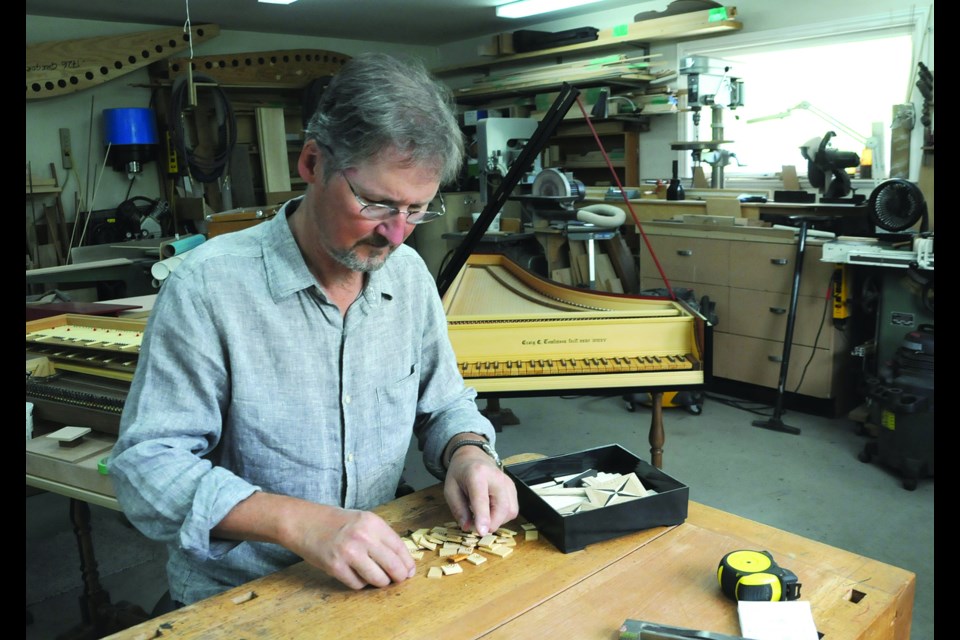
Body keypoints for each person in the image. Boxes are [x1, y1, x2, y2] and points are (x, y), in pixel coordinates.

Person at [109, 52, 518, 607]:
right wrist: (298, 523)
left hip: (374, 575)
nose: (397, 234)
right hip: (241, 596)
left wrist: (469, 452)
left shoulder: (409, 276)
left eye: (417, 209)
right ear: (311, 163)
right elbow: (146, 471)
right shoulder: (209, 288)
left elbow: (443, 403)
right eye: (376, 203)